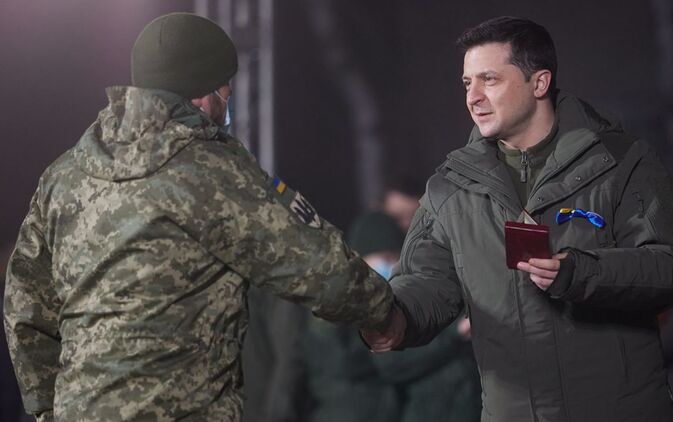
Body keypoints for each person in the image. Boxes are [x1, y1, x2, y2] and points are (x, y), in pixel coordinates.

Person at [3, 13, 394, 422]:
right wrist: (387, 314)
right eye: (225, 90)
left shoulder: (63, 176)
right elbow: (319, 267)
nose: (227, 101)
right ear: (201, 97)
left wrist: (48, 408)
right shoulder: (213, 170)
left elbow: (25, 307)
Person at [362, 16, 673, 422]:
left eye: (489, 79)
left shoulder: (620, 162)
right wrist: (391, 319)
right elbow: (426, 283)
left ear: (539, 83)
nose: (473, 97)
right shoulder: (449, 189)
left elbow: (671, 267)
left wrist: (580, 272)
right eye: (467, 83)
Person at [300, 212, 480, 422]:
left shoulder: (388, 303)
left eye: (394, 258)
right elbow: (382, 363)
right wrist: (452, 335)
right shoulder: (341, 308)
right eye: (383, 258)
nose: (388, 266)